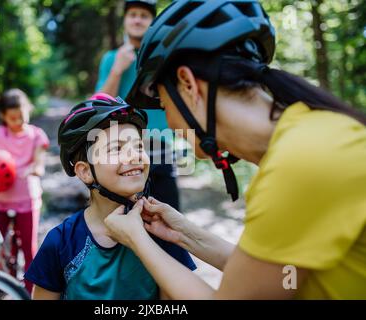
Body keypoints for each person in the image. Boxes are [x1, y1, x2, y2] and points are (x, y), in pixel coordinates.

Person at [104, 0, 366, 299]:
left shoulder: (301, 164)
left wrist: (138, 240)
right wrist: (184, 234)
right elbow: (279, 275)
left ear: (188, 84)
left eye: (164, 105)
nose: (172, 123)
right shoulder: (314, 136)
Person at [24, 94, 196, 300]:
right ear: (85, 172)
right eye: (116, 149)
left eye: (139, 146)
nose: (134, 155)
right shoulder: (60, 243)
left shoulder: (162, 233)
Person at [95, 0, 181, 210]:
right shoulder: (112, 58)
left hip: (161, 145)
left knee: (168, 218)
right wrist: (117, 69)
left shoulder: (165, 57)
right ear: (124, 20)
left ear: (152, 23)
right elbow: (96, 106)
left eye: (144, 15)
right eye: (132, 14)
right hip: (123, 146)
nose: (137, 19)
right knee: (125, 216)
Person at [0, 88, 49, 294]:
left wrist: (33, 169)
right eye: (12, 118)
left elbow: (40, 165)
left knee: (29, 249)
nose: (18, 121)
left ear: (28, 110)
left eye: (22, 116)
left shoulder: (37, 135)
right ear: (3, 116)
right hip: (0, 200)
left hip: (27, 200)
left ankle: (29, 293)